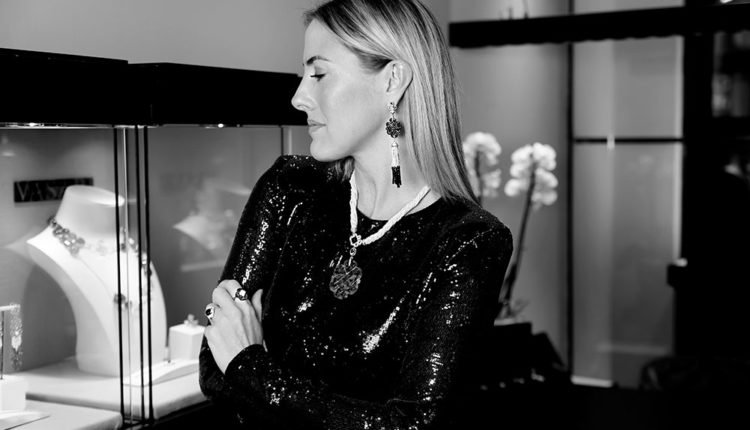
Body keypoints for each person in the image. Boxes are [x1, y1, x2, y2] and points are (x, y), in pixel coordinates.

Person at [199, 0, 513, 428]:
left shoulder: (467, 242)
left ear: (393, 80)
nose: (298, 97)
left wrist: (251, 365)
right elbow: (213, 365)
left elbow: (412, 424)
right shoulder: (289, 188)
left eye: (319, 74)